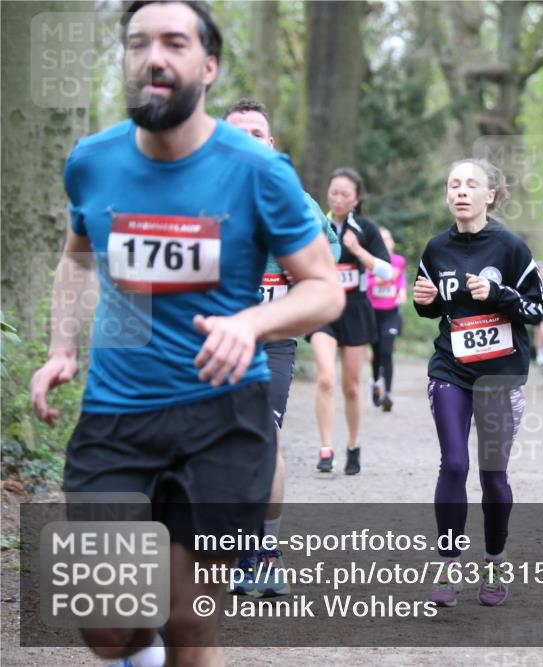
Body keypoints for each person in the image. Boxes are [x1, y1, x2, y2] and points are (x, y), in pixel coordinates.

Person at [28, 3, 343, 666]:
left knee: (187, 619)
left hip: (223, 417)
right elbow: (78, 253)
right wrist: (62, 345)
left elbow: (324, 287)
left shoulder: (258, 170)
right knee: (109, 626)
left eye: (174, 42)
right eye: (138, 43)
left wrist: (250, 321)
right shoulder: (92, 161)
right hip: (116, 416)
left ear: (209, 65)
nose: (154, 57)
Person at [413, 158, 543, 607]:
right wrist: (425, 302)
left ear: (491, 194)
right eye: (454, 184)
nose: (461, 191)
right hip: (450, 368)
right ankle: (448, 569)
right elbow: (432, 304)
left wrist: (500, 295)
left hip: (498, 374)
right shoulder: (435, 249)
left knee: (493, 478)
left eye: (472, 184)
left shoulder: (510, 249)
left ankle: (494, 562)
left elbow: (538, 309)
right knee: (453, 464)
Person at [222, 97, 341, 598]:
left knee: (262, 440)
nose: (248, 142)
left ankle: (265, 551)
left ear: (271, 145)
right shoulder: (195, 194)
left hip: (269, 342)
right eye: (237, 134)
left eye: (258, 134)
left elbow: (326, 267)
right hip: (205, 342)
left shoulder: (295, 199)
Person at [309, 168, 392, 475]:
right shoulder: (316, 224)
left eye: (345, 194)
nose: (339, 198)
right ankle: (326, 448)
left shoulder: (366, 228)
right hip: (323, 307)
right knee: (326, 377)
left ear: (356, 198)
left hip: (355, 309)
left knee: (352, 387)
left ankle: (353, 445)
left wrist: (358, 250)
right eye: (334, 193)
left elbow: (387, 272)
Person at [367, 226, 407, 412]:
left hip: (391, 312)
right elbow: (366, 283)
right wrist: (380, 281)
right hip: (372, 313)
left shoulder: (398, 261)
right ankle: (375, 382)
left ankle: (388, 394)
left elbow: (401, 280)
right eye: (380, 239)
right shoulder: (369, 262)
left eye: (387, 239)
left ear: (393, 243)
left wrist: (403, 291)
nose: (384, 243)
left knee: (387, 350)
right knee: (376, 352)